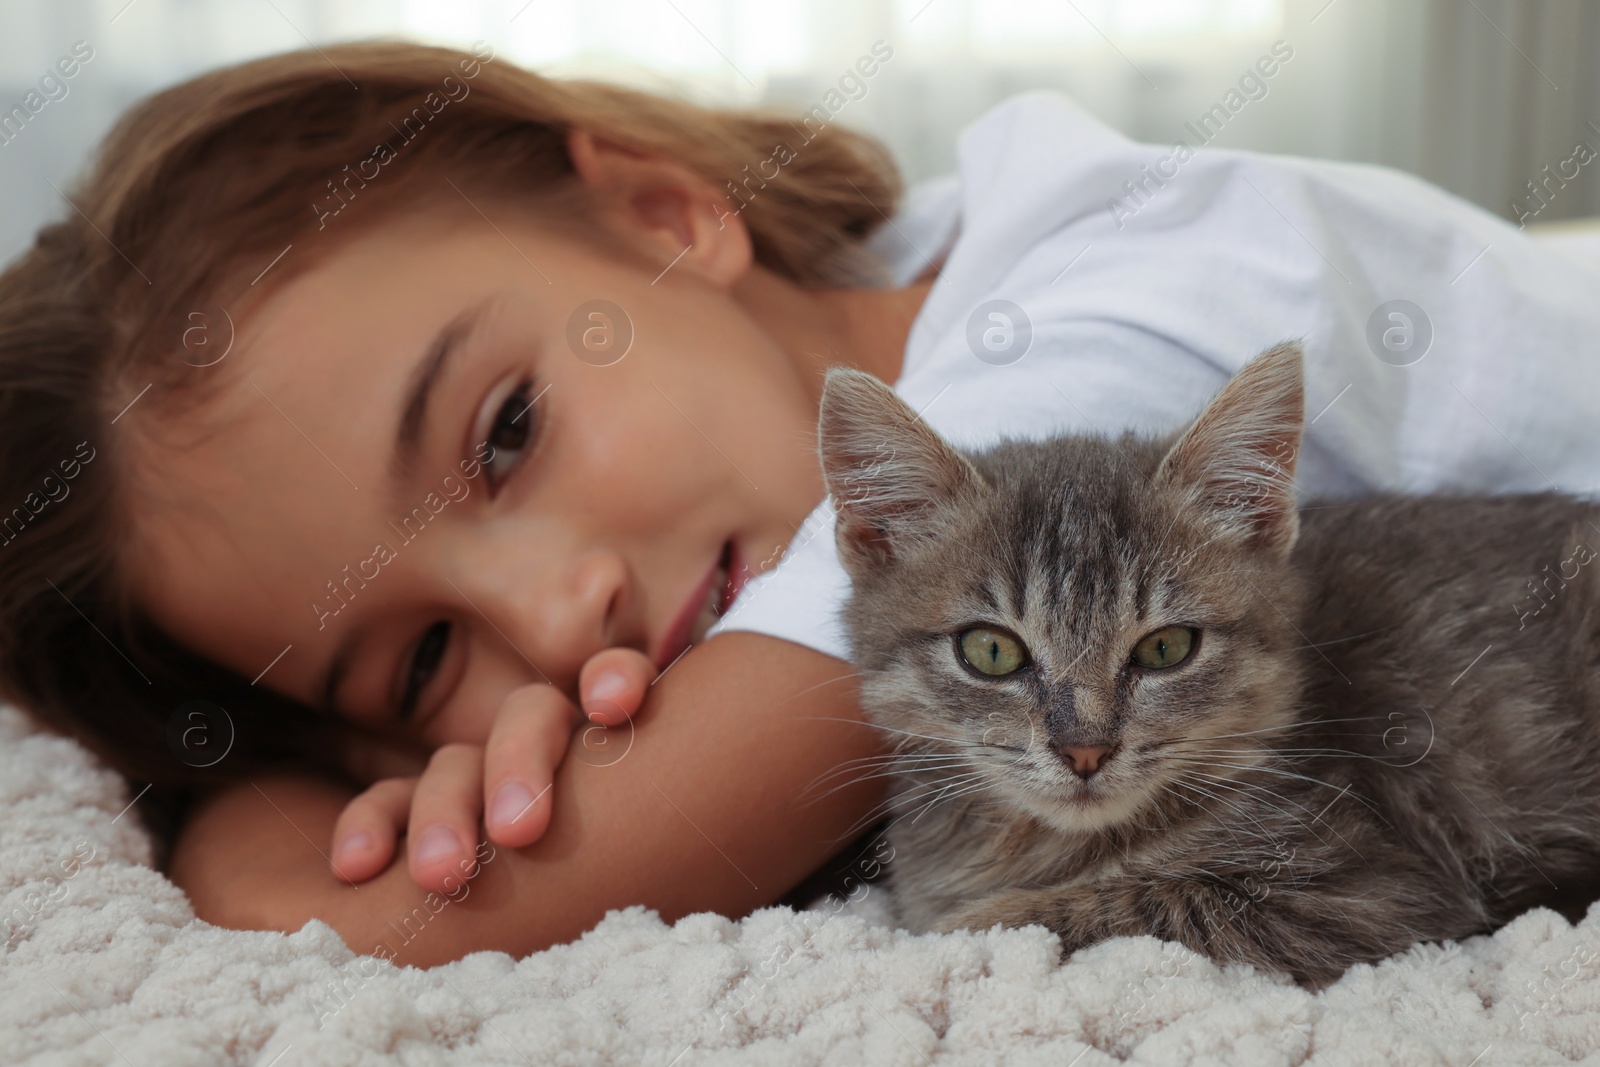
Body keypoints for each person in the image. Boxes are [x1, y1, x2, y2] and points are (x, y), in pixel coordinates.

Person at [2, 39, 1597, 969]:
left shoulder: (1119, 314)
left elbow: (454, 908)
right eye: (422, 663)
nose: (562, 612)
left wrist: (250, 838)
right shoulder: (917, 321)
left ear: (665, 214)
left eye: (504, 432)